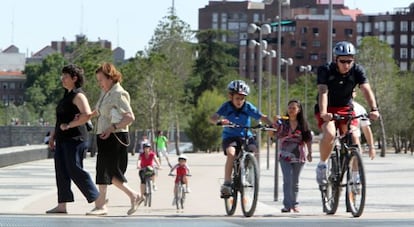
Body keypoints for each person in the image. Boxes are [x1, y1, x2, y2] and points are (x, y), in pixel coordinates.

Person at [315, 41, 380, 186]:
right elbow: (323, 91)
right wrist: (324, 112)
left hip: (346, 108)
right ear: (335, 59)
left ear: (353, 60)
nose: (346, 65)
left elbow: (366, 89)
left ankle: (355, 177)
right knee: (330, 134)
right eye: (342, 61)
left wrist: (374, 109)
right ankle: (322, 165)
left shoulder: (357, 70)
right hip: (327, 108)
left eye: (349, 61)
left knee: (354, 139)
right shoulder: (325, 70)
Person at [87, 62, 143, 216]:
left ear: (110, 78)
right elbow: (99, 110)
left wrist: (112, 128)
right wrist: (87, 116)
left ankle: (109, 203)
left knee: (110, 173)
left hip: (115, 136)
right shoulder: (105, 92)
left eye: (101, 80)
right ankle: (105, 204)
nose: (100, 84)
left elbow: (129, 117)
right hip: (104, 135)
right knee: (103, 171)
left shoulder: (119, 93)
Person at [46, 64, 99, 214]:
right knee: (61, 171)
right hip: (62, 139)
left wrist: (69, 125)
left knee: (74, 169)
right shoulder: (66, 96)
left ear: (74, 78)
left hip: (75, 139)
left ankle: (98, 199)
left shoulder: (78, 95)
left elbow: (87, 115)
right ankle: (62, 205)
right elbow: (59, 120)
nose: (62, 79)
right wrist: (53, 136)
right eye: (62, 76)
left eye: (66, 76)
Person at [209, 79, 274, 197]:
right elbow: (213, 117)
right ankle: (227, 183)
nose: (240, 101)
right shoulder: (226, 106)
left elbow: (262, 117)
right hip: (230, 137)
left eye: (242, 98)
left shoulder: (248, 107)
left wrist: (273, 125)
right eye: (237, 98)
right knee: (231, 153)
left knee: (254, 150)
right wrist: (219, 121)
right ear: (231, 96)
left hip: (246, 135)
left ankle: (250, 172)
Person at [273, 100, 312, 213]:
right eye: (289, 108)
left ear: (298, 110)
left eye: (294, 108)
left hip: (299, 155)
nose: (291, 110)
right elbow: (272, 133)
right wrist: (274, 122)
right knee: (287, 179)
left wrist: (309, 152)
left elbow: (308, 139)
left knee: (295, 181)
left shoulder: (303, 124)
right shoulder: (282, 122)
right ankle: (287, 205)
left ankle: (294, 204)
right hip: (284, 155)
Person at [352, 90, 376, 160]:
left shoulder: (360, 108)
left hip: (355, 137)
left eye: (353, 91)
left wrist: (371, 147)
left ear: (355, 94)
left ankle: (355, 171)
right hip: (339, 137)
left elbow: (366, 128)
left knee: (357, 152)